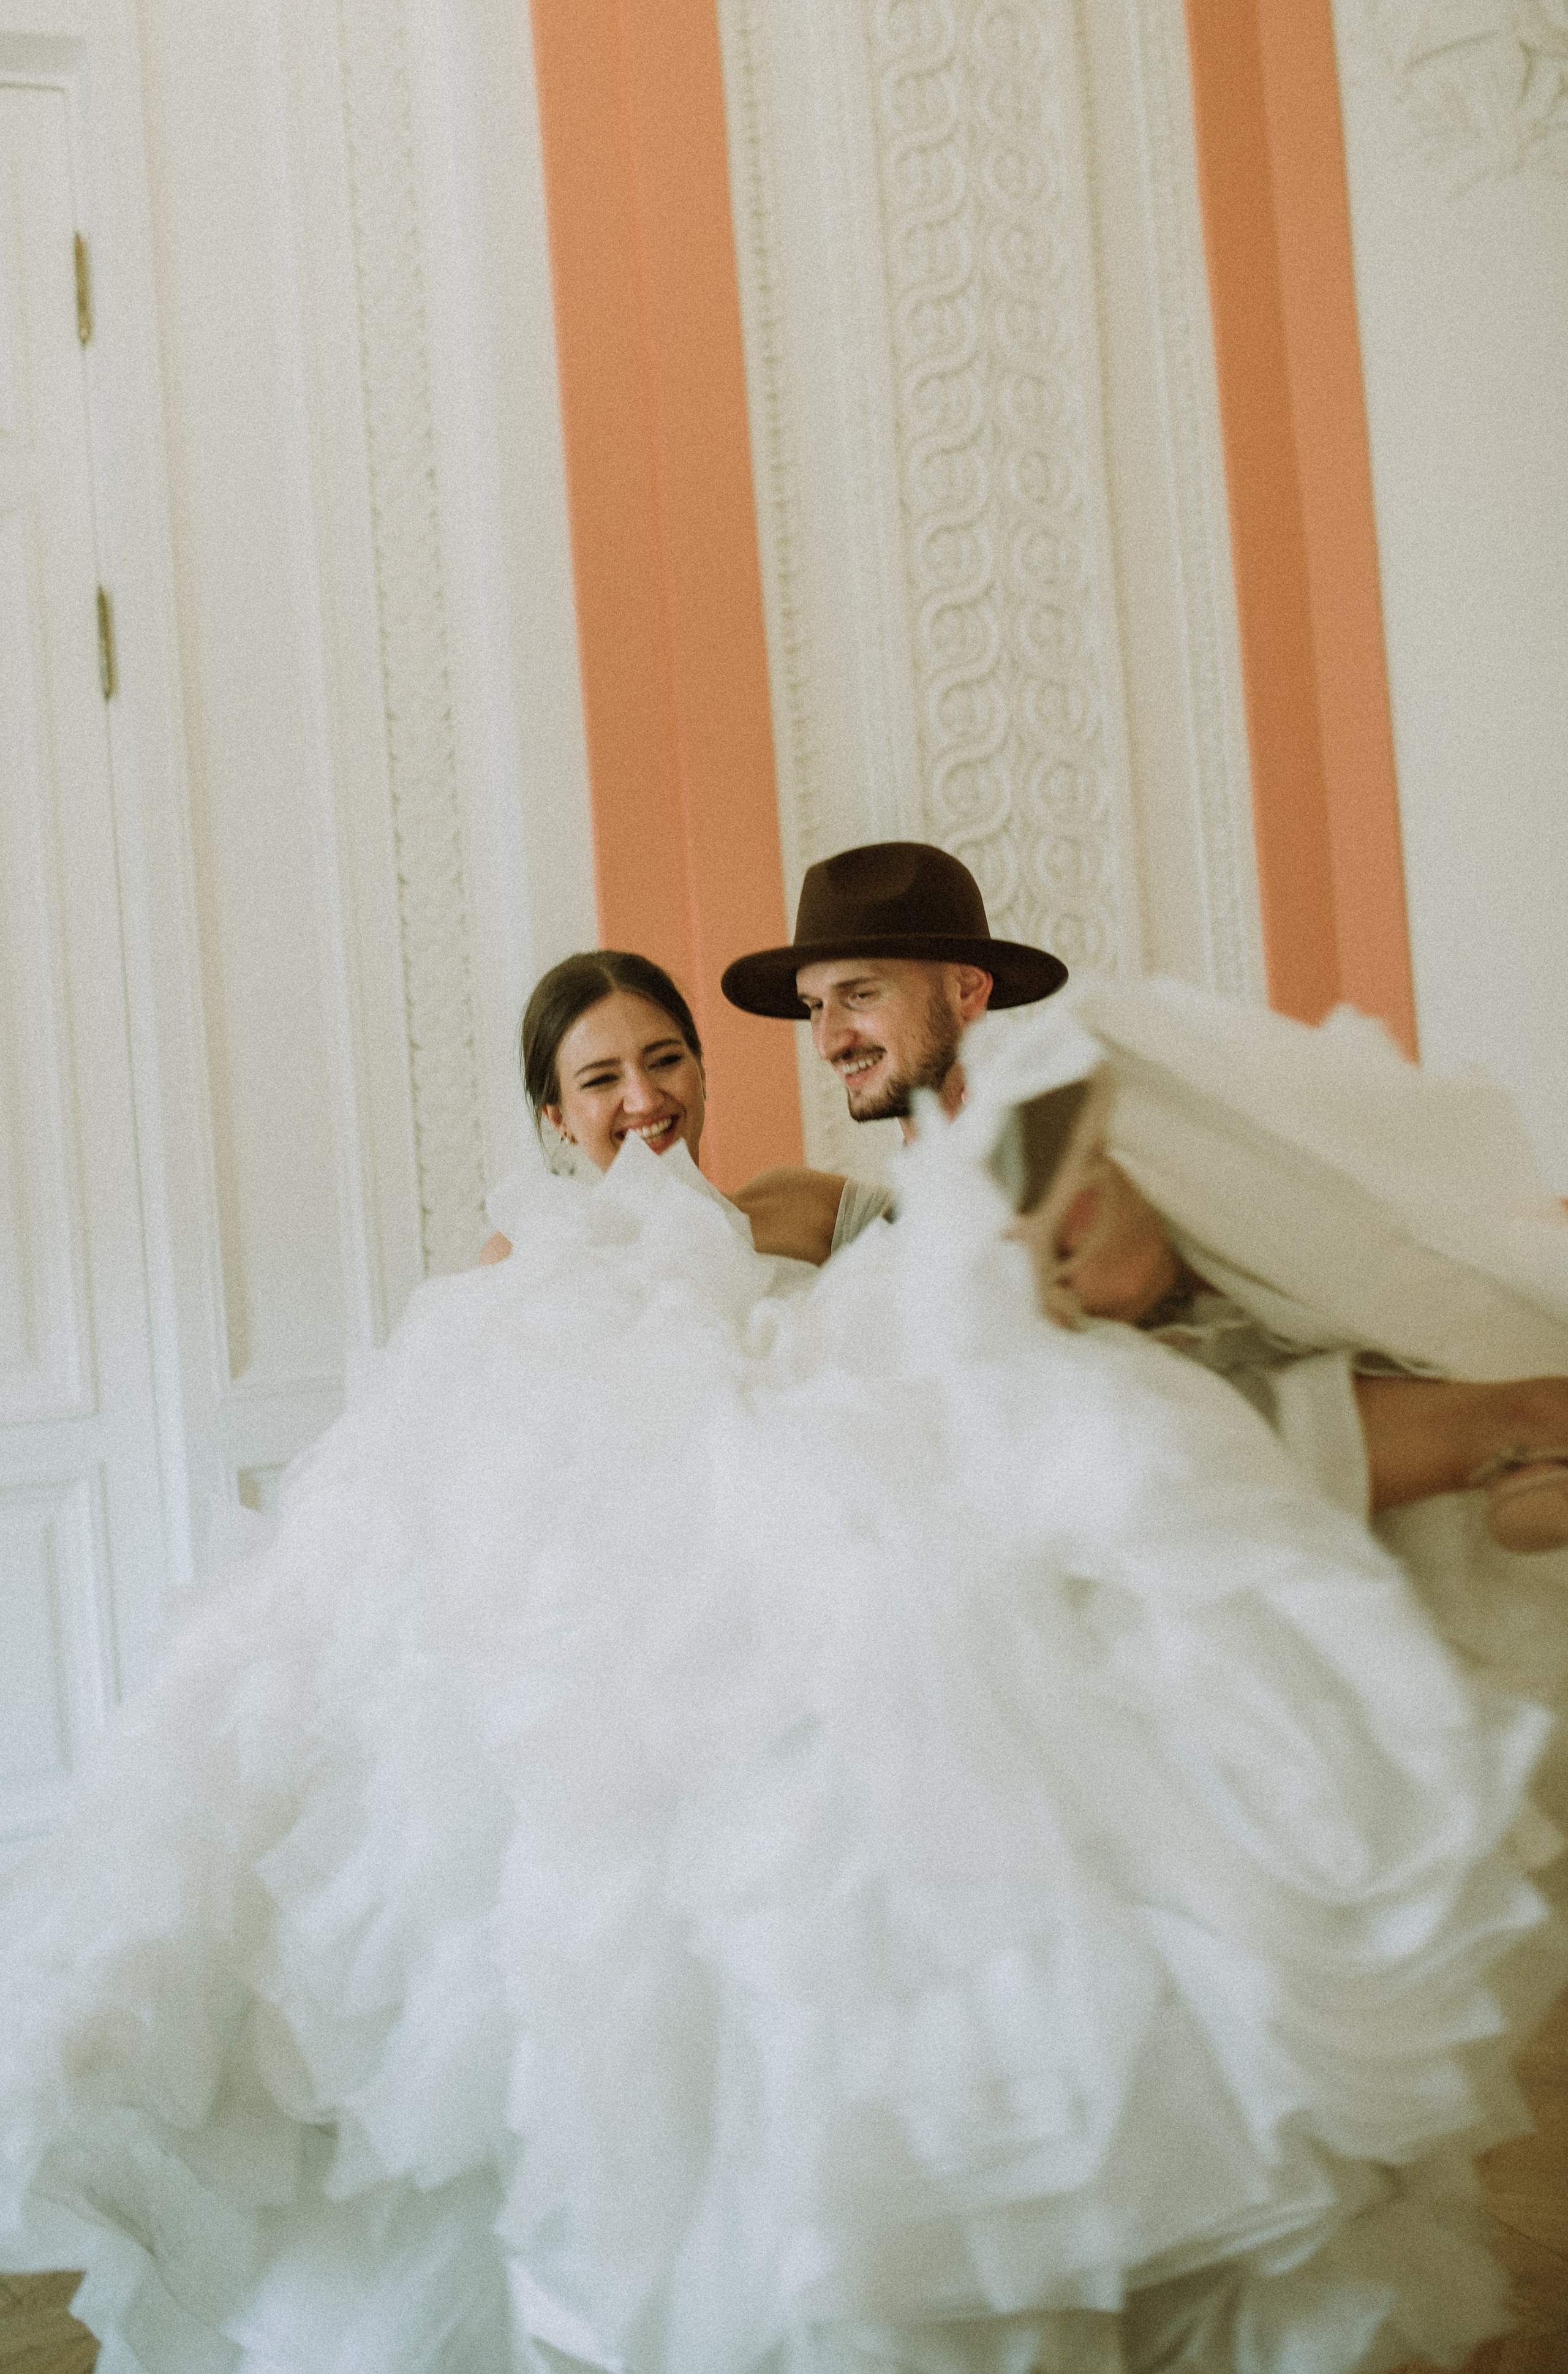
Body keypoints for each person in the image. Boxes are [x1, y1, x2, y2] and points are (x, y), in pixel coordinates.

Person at [4, 942, 1567, 2374]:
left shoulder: (791, 1205)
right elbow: (469, 1459)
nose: (645, 1097)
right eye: (603, 1078)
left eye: (666, 1058)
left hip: (809, 1494)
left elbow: (958, 1261)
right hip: (617, 1589)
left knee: (1084, 1441)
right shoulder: (514, 1259)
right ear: (554, 1118)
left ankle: (1486, 1416)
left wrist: (1054, 1209)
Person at [721, 840, 1568, 1545]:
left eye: (860, 996)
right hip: (1049, 1485)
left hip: (1185, 1371)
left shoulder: (1078, 1114)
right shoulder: (842, 1215)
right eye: (814, 1008)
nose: (830, 1038)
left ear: (967, 989)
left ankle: (1520, 1424)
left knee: (1089, 1162)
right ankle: (1523, 1431)